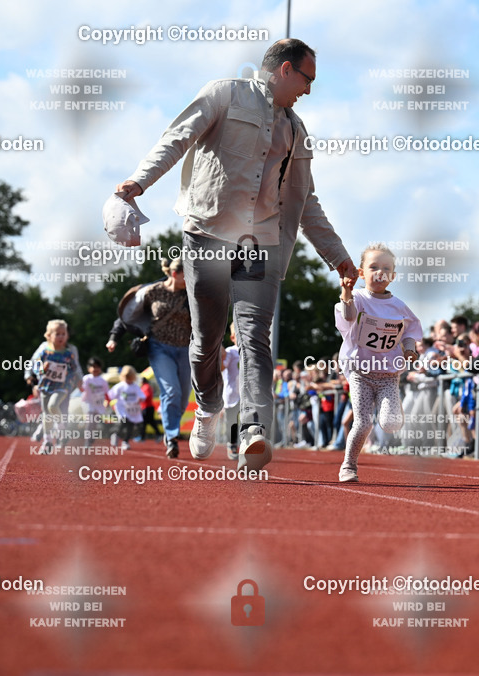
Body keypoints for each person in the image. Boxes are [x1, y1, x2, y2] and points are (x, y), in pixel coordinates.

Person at [116, 38, 355, 471]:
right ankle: (208, 406)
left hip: (257, 244)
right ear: (285, 70)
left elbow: (306, 200)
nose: (308, 90)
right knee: (206, 339)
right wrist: (138, 182)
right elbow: (176, 139)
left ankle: (252, 432)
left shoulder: (296, 130)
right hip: (206, 235)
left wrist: (337, 256)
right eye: (307, 79)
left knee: (254, 339)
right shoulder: (222, 93)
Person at [335, 244, 422, 482]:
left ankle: (395, 410)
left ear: (393, 276)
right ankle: (348, 465)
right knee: (363, 423)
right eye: (373, 267)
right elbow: (349, 317)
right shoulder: (359, 298)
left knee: (390, 423)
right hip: (360, 372)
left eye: (386, 268)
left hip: (388, 375)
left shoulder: (399, 306)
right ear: (361, 272)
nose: (380, 273)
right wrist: (346, 293)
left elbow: (410, 330)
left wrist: (410, 349)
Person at [140, 258, 192, 460]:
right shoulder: (153, 291)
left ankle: (171, 424)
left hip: (185, 349)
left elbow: (206, 320)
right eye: (186, 274)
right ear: (174, 274)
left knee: (182, 397)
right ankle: (171, 437)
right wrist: (114, 336)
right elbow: (131, 313)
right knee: (172, 390)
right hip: (159, 348)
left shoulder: (191, 294)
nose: (190, 278)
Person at [27, 320, 82, 454]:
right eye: (57, 334)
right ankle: (47, 442)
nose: (61, 337)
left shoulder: (69, 353)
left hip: (62, 386)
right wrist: (41, 369)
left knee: (53, 406)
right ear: (49, 336)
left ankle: (61, 426)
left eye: (63, 334)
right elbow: (35, 366)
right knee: (46, 415)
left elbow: (75, 368)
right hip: (46, 386)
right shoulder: (45, 352)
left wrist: (79, 380)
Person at [108, 366, 144, 451]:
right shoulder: (120, 386)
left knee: (130, 426)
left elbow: (142, 396)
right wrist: (107, 402)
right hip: (122, 408)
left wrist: (140, 399)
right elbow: (111, 395)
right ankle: (116, 434)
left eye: (130, 378)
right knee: (123, 422)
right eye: (127, 377)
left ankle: (125, 441)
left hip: (132, 409)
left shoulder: (135, 386)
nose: (128, 380)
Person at [220, 322, 240, 459]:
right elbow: (222, 367)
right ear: (233, 338)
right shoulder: (230, 351)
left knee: (248, 420)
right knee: (232, 421)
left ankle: (247, 445)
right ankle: (232, 444)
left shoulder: (251, 352)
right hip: (232, 392)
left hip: (246, 393)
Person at [80, 357, 110, 448]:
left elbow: (106, 393)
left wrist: (107, 401)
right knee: (90, 422)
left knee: (94, 423)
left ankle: (91, 438)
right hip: (88, 402)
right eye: (93, 366)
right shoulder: (87, 378)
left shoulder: (103, 381)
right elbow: (82, 388)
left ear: (100, 368)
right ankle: (87, 441)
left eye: (97, 367)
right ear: (89, 368)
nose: (95, 369)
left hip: (98, 404)